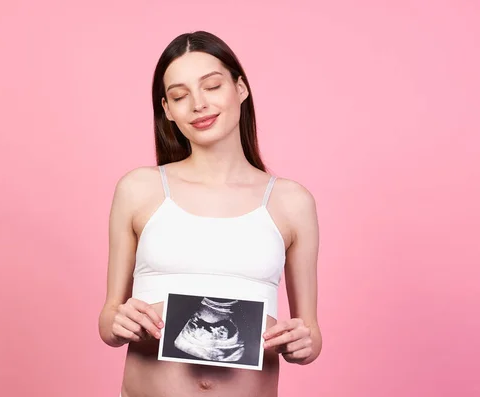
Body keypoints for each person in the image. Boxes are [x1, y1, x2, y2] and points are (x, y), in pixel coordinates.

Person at [98, 30, 321, 397]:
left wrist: (302, 343)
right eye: (180, 96)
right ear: (168, 111)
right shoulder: (139, 189)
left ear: (241, 88)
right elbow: (108, 321)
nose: (198, 104)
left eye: (212, 86)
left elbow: (310, 335)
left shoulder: (291, 201)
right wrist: (119, 321)